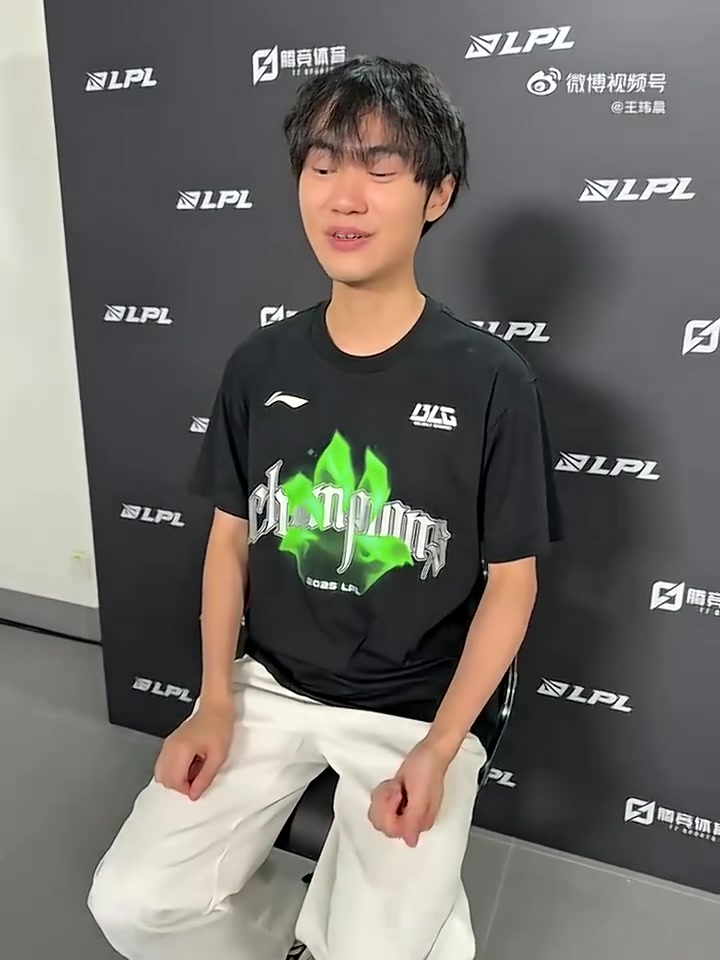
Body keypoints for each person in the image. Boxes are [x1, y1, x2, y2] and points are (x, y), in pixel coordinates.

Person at [87, 55, 562, 960]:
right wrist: (214, 700)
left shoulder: (492, 380)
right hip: (270, 685)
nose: (345, 197)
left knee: (379, 949)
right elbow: (229, 541)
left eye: (381, 170)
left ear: (436, 194)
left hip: (415, 709)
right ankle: (298, 933)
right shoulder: (260, 363)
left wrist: (440, 747)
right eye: (321, 165)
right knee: (131, 903)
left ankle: (397, 929)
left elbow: (512, 582)